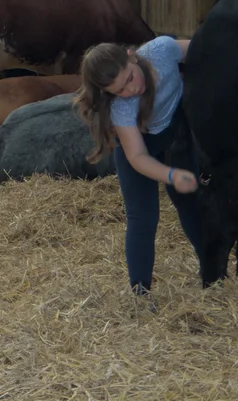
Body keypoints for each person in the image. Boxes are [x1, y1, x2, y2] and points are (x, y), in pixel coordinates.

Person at [73, 36, 202, 297]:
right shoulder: (122, 108)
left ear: (132, 56)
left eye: (130, 78)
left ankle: (212, 271)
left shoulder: (162, 50)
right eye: (119, 90)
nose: (131, 90)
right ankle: (140, 293)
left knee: (189, 202)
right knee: (142, 216)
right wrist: (170, 174)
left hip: (177, 132)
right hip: (141, 145)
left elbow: (205, 45)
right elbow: (138, 157)